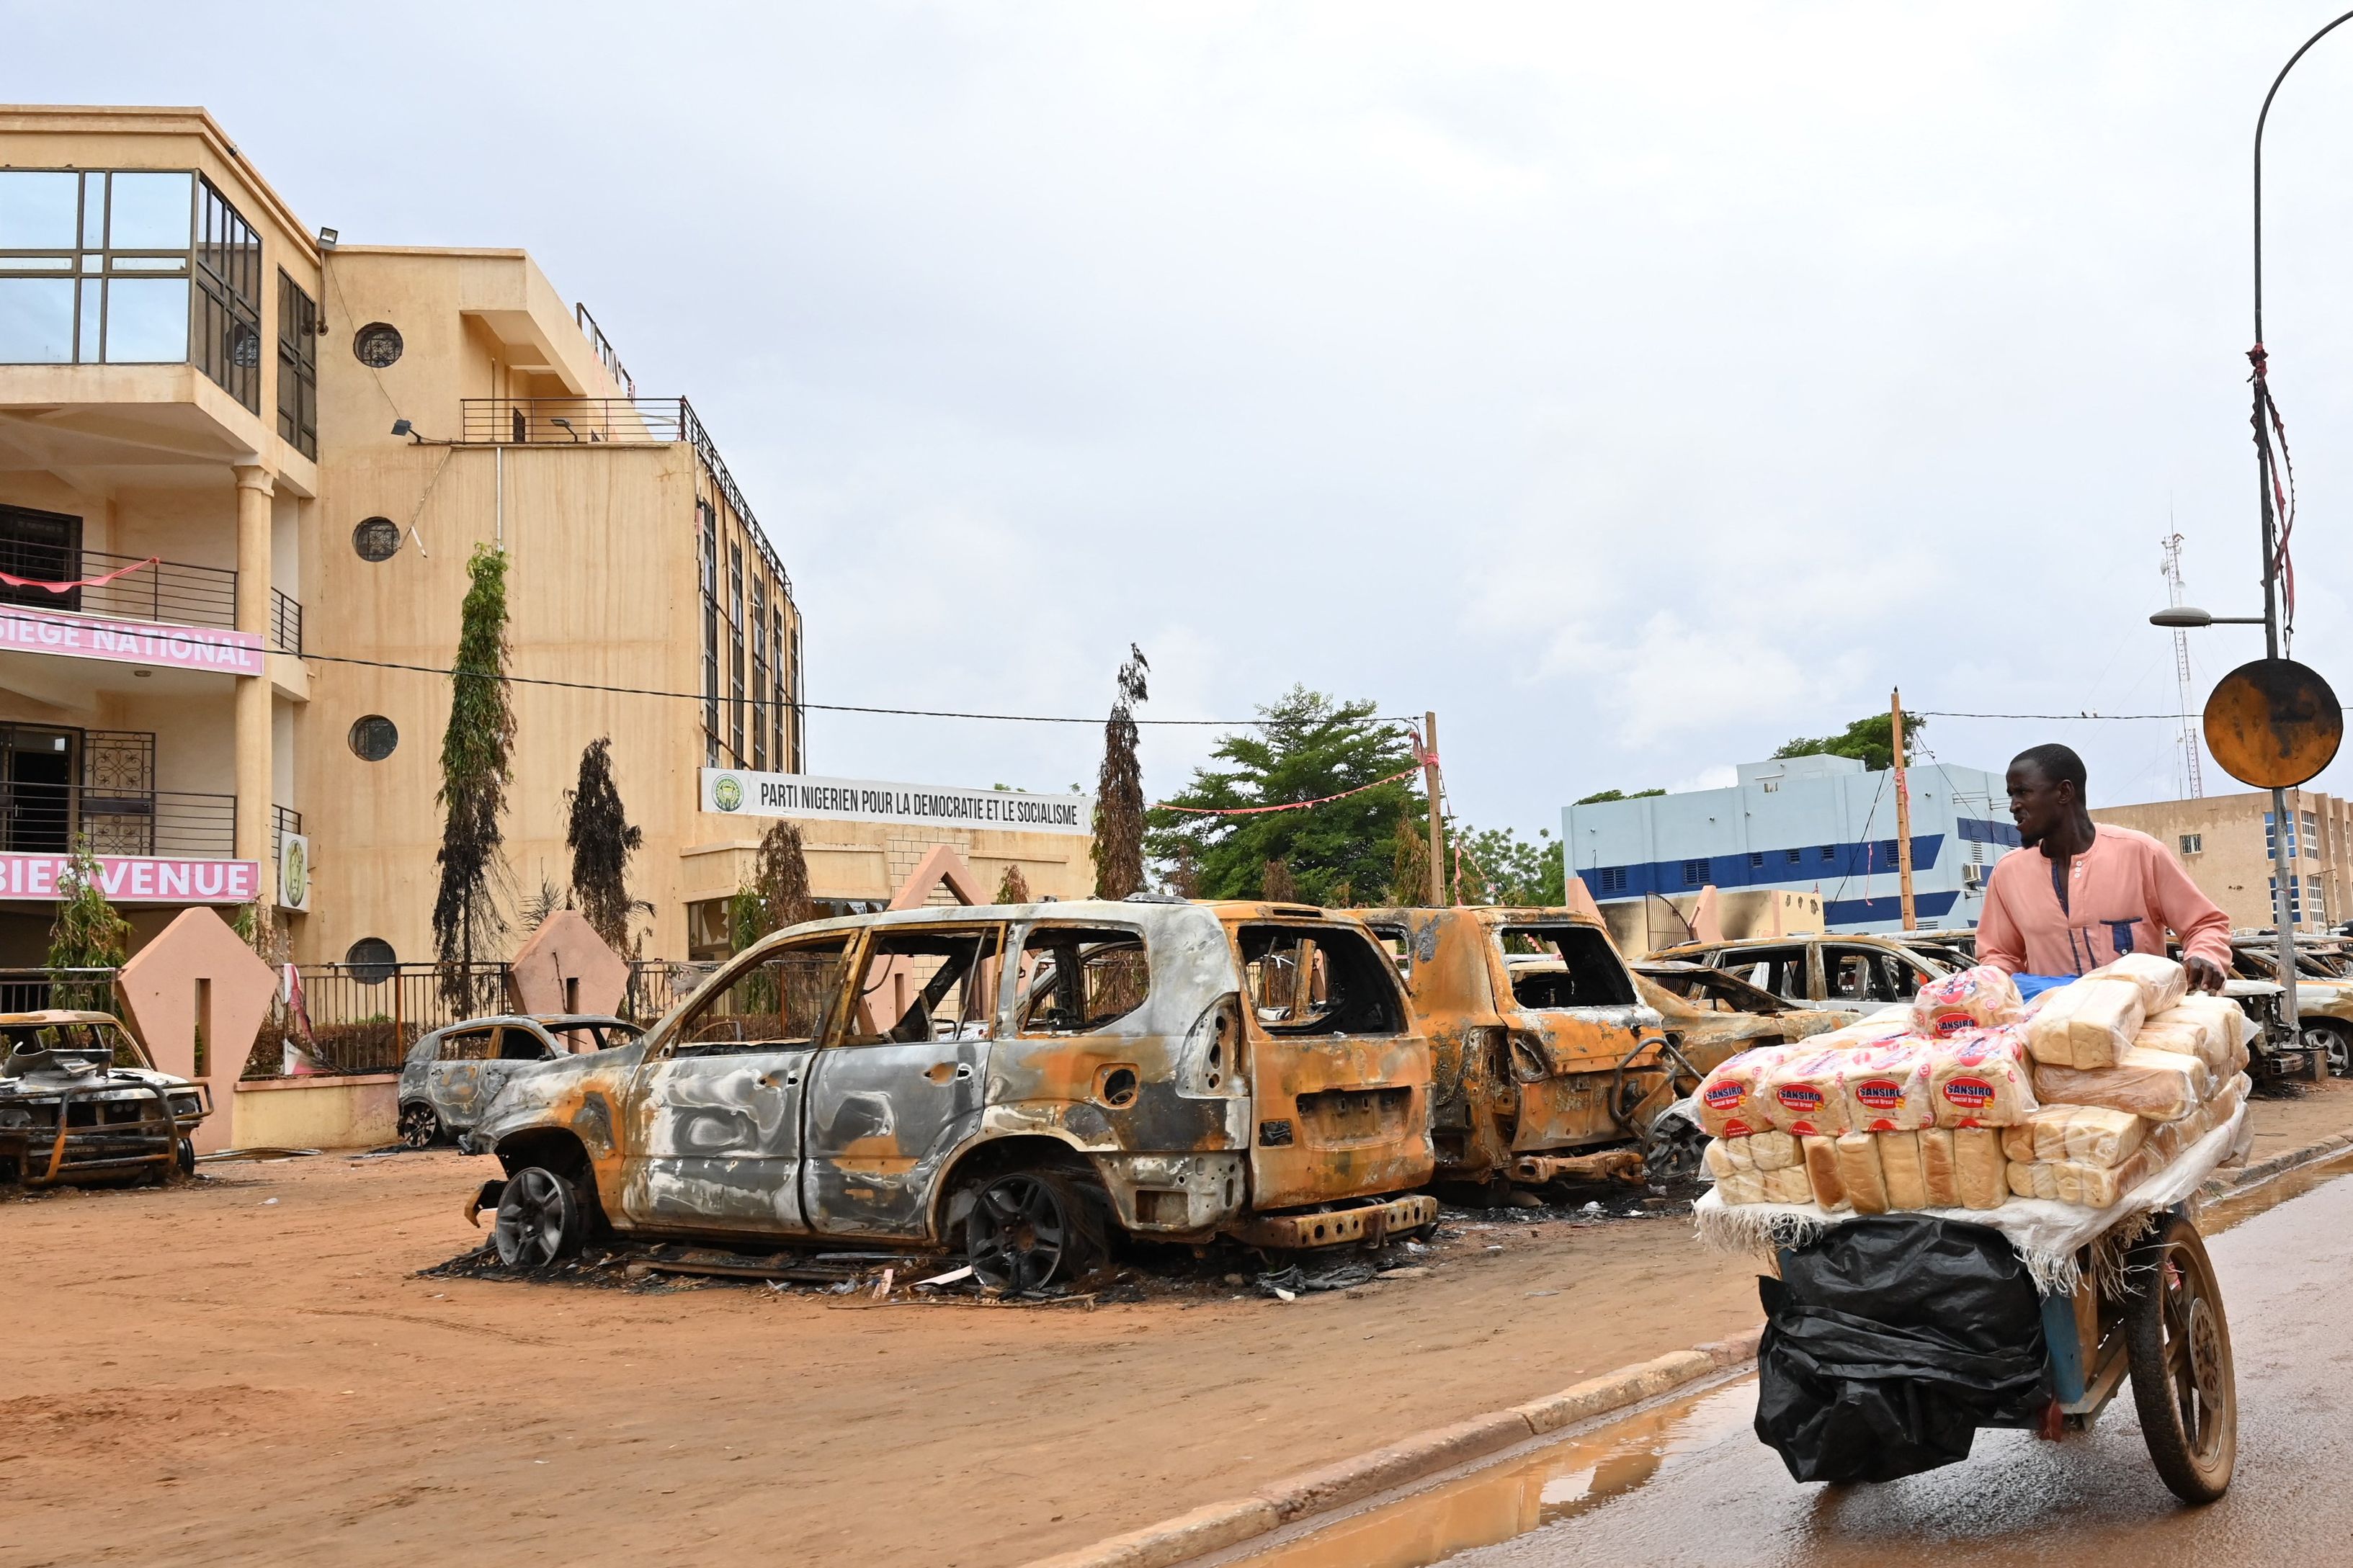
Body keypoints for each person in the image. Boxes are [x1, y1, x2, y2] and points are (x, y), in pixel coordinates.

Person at [1978, 743, 2231, 990]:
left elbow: (2204, 925)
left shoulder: (2140, 853)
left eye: (2023, 792)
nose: (2013, 806)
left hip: (2143, 1027)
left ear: (2064, 792)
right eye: (2012, 795)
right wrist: (1990, 988)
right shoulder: (2008, 873)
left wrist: (2204, 956)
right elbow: (2000, 957)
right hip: (2052, 1028)